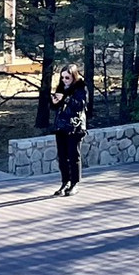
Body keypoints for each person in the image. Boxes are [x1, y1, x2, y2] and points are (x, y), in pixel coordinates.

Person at [49, 66, 90, 197]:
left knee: (73, 156)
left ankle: (74, 183)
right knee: (62, 157)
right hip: (61, 126)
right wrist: (55, 102)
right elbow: (56, 107)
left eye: (67, 77)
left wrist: (65, 98)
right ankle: (65, 182)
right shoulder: (61, 88)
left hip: (75, 127)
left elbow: (80, 105)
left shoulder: (81, 88)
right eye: (62, 77)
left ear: (74, 76)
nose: (64, 80)